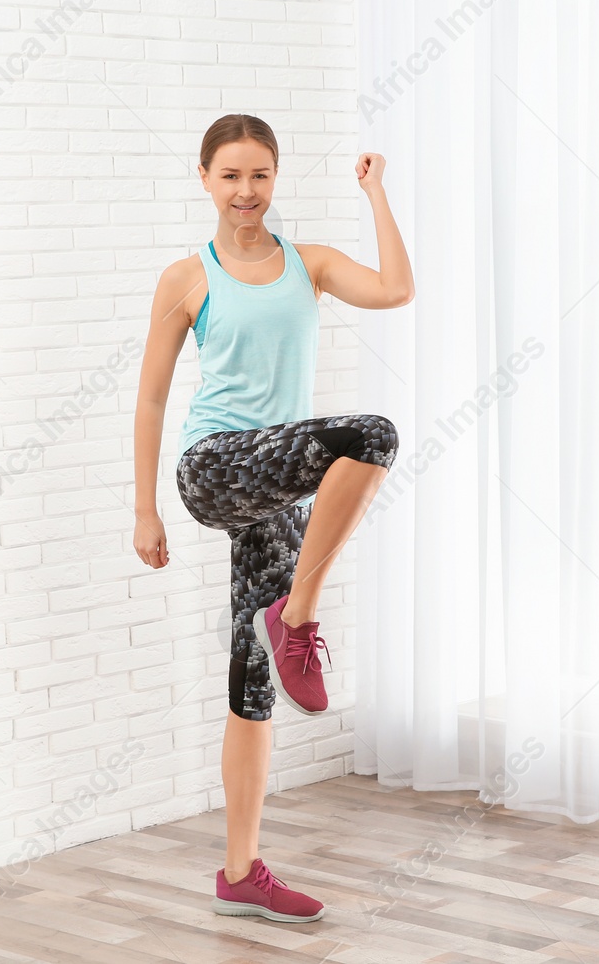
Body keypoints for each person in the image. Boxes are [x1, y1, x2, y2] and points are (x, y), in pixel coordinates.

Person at [131, 113, 412, 923]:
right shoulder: (188, 277)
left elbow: (396, 289)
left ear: (275, 179)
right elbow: (151, 393)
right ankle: (295, 617)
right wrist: (144, 506)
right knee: (370, 436)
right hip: (214, 466)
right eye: (230, 176)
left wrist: (376, 193)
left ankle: (239, 870)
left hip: (279, 486)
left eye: (259, 176)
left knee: (251, 688)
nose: (246, 192)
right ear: (205, 178)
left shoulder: (309, 265)